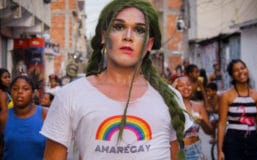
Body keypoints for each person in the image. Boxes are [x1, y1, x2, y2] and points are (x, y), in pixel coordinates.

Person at [40, 1, 192, 159]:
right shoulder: (70, 96)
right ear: (104, 36)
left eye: (139, 30)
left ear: (149, 44)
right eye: (119, 27)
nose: (128, 37)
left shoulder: (170, 98)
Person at [217, 59, 257, 160]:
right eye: (236, 70)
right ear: (232, 75)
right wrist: (219, 150)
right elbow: (222, 124)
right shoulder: (226, 96)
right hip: (233, 142)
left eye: (242, 68)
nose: (241, 72)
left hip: (252, 141)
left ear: (247, 70)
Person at [0, 75, 47, 160]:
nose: (19, 92)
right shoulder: (3, 117)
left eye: (25, 89)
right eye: (15, 89)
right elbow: (2, 146)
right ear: (10, 92)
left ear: (33, 93)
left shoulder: (45, 114)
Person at [173, 76, 213, 160]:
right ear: (175, 88)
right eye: (181, 86)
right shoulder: (172, 107)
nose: (186, 88)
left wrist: (202, 121)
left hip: (196, 149)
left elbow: (210, 131)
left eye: (188, 85)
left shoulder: (198, 106)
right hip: (178, 151)